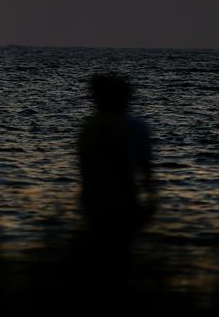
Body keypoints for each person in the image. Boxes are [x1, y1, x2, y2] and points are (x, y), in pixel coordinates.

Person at [77, 72, 155, 285]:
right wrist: (152, 197)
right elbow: (146, 168)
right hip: (125, 198)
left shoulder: (88, 127)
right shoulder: (136, 126)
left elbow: (84, 167)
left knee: (97, 254)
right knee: (123, 255)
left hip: (93, 198)